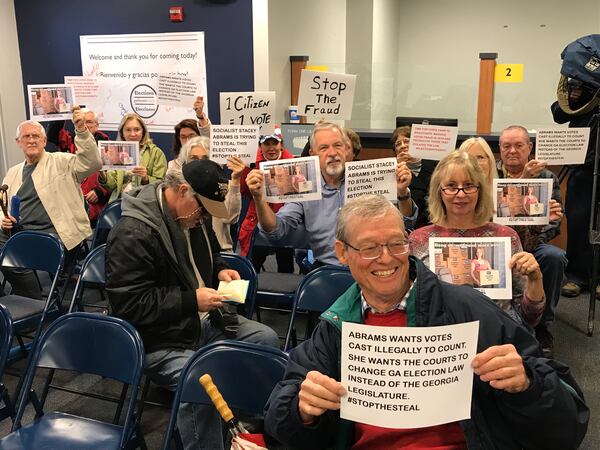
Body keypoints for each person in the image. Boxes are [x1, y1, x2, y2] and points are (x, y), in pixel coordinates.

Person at [264, 194, 589, 450]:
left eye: (395, 243)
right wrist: (302, 412)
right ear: (342, 253)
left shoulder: (468, 309)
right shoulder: (336, 326)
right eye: (369, 248)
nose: (387, 258)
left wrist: (528, 384)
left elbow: (568, 425)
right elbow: (281, 423)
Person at [105, 159, 278, 450]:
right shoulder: (132, 233)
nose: (203, 219)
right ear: (183, 190)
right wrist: (191, 300)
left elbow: (209, 250)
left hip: (200, 322)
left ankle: (248, 425)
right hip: (159, 341)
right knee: (200, 380)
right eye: (202, 211)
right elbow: (130, 304)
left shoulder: (192, 216)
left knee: (266, 339)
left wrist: (220, 268)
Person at [246, 122, 417, 268]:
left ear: (346, 149)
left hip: (371, 267)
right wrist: (259, 200)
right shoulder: (303, 186)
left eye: (337, 145)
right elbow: (276, 230)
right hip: (327, 270)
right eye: (324, 148)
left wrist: (402, 193)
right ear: (313, 154)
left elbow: (407, 223)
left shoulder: (371, 176)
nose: (333, 153)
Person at [409, 151, 545, 326]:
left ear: (480, 190)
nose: (460, 194)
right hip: (441, 337)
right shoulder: (419, 240)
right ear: (439, 191)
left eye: (468, 185)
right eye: (451, 186)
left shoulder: (506, 236)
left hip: (495, 333)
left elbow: (529, 317)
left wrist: (536, 279)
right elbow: (413, 308)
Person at [1, 108, 102, 297]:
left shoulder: (62, 162)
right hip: (19, 231)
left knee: (12, 256)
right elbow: (2, 203)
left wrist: (81, 130)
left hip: (54, 235)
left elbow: (92, 162)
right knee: (10, 252)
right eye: (26, 137)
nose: (31, 140)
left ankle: (32, 301)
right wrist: (3, 218)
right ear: (18, 142)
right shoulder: (13, 171)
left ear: (44, 141)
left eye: (36, 136)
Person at [497, 125, 567, 355]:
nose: (512, 151)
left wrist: (533, 240)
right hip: (496, 242)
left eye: (519, 145)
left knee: (554, 256)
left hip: (532, 244)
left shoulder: (547, 177)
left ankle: (543, 325)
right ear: (500, 149)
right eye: (506, 146)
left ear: (530, 148)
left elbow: (554, 222)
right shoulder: (491, 174)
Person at [551, 80, 599, 298]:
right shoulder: (581, 79)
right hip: (582, 165)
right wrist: (575, 97)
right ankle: (576, 276)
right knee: (578, 219)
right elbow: (559, 114)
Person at [238, 128, 295, 273]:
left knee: (286, 266)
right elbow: (244, 192)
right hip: (258, 220)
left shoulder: (293, 163)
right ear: (260, 146)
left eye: (274, 143)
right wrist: (244, 173)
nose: (271, 148)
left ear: (281, 144)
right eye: (266, 144)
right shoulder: (251, 163)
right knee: (251, 266)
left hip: (285, 220)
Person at [174, 135, 244, 252]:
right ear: (185, 161)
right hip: (186, 252)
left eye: (205, 158)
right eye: (194, 159)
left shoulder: (224, 184)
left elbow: (230, 218)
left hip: (221, 252)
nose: (200, 163)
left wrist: (236, 181)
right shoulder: (178, 187)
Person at [47, 109, 111, 224]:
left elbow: (115, 176)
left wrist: (100, 191)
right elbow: (53, 134)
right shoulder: (70, 140)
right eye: (83, 121)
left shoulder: (107, 146)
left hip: (98, 207)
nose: (85, 125)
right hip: (71, 203)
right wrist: (61, 111)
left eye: (89, 122)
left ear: (97, 125)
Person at [99, 113, 167, 202]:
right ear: (122, 133)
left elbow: (162, 185)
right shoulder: (116, 151)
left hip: (145, 203)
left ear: (143, 132)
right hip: (120, 202)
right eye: (128, 130)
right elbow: (111, 186)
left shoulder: (156, 153)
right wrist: (101, 173)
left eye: (137, 129)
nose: (133, 134)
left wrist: (146, 178)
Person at [392, 125, 436, 228]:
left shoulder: (437, 167)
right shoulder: (391, 172)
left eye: (407, 141)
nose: (402, 146)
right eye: (398, 144)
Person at [169, 96, 211, 166]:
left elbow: (208, 136)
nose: (188, 140)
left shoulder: (211, 160)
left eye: (192, 136)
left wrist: (200, 116)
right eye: (183, 137)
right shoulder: (173, 165)